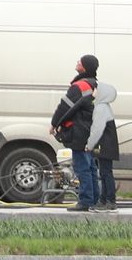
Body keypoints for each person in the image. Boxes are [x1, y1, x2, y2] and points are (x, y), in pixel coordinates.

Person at [52, 54, 100, 211]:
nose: (77, 62)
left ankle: (85, 201)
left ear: (84, 67)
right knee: (91, 166)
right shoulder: (94, 84)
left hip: (79, 131)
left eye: (80, 61)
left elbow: (65, 106)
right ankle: (94, 199)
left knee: (82, 166)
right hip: (90, 130)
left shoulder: (79, 86)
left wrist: (54, 123)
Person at [88, 80, 120, 211]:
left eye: (95, 90)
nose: (92, 92)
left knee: (106, 173)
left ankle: (110, 200)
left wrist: (89, 144)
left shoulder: (100, 108)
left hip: (105, 145)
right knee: (104, 172)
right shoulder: (103, 106)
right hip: (107, 145)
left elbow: (97, 129)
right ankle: (104, 199)